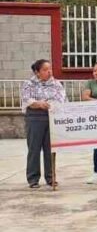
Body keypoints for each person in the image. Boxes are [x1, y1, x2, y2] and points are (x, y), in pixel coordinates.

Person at [21, 59, 66, 188]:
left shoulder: (56, 84)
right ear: (37, 72)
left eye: (50, 69)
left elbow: (61, 98)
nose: (49, 72)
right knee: (34, 149)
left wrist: (46, 103)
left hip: (51, 117)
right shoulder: (29, 84)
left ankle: (51, 177)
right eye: (45, 70)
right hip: (34, 118)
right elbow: (27, 99)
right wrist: (39, 103)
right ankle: (33, 179)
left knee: (50, 149)